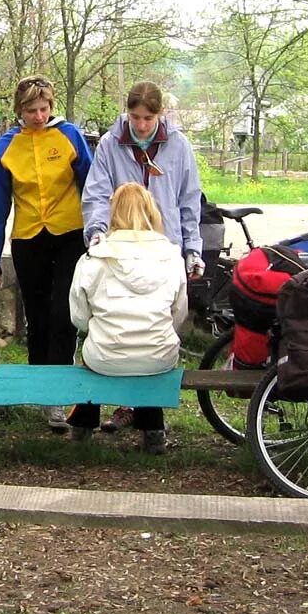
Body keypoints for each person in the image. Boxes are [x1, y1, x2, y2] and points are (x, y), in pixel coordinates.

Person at [79, 80, 204, 434]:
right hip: (121, 248)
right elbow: (97, 193)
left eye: (148, 118)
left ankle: (151, 423)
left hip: (162, 248)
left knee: (153, 324)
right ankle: (98, 412)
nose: (141, 125)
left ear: (159, 115)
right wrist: (97, 233)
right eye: (135, 117)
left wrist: (193, 249)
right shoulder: (110, 143)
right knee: (120, 321)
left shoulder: (178, 146)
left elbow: (189, 200)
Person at [0, 75, 93, 432]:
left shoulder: (70, 136)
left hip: (69, 234)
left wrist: (97, 233)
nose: (39, 116)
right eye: (31, 110)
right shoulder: (6, 146)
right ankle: (40, 387)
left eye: (44, 108)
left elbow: (92, 186)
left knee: (63, 313)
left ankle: (59, 395)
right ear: (19, 111)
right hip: (29, 237)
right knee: (37, 317)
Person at [68, 183, 187, 454]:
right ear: (152, 211)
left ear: (112, 213)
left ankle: (82, 427)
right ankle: (153, 431)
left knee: (91, 354)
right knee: (150, 358)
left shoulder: (94, 257)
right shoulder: (171, 256)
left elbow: (78, 317)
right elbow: (178, 313)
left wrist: (99, 328)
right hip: (159, 355)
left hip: (105, 355)